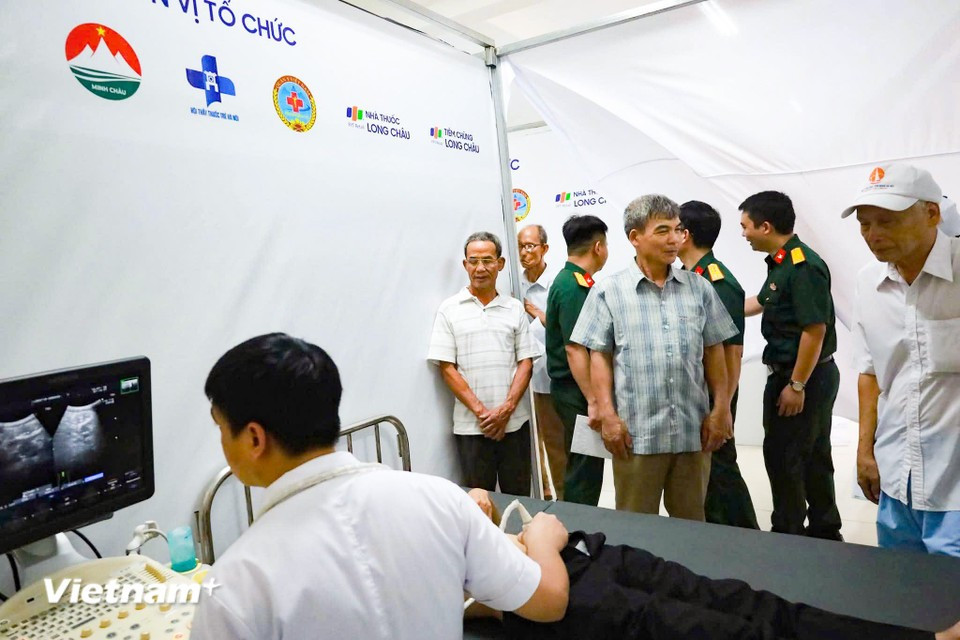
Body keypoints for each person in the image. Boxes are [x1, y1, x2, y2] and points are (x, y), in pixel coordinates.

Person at [190, 333, 570, 640]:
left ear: (254, 438)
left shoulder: (237, 584)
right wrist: (543, 538)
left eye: (221, 428)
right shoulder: (438, 499)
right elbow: (548, 601)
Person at [465, 489, 957, 640]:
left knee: (753, 604)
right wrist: (543, 544)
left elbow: (473, 502)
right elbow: (536, 605)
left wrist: (474, 512)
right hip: (568, 595)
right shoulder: (401, 586)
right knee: (732, 633)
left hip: (590, 555)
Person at [572, 195, 736, 520]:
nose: (675, 239)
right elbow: (599, 357)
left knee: (691, 526)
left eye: (678, 230)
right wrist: (607, 415)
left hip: (692, 432)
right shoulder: (608, 291)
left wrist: (721, 409)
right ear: (635, 237)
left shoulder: (700, 288)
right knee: (636, 528)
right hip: (636, 435)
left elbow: (715, 351)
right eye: (663, 231)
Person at [843, 163, 960, 556]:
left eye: (887, 221)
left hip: (955, 484)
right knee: (901, 595)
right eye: (865, 224)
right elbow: (871, 371)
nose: (874, 235)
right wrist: (864, 451)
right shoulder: (868, 283)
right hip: (898, 477)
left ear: (931, 213)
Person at [741, 191, 843, 541]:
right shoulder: (782, 264)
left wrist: (797, 385)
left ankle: (788, 535)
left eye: (746, 227)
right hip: (803, 375)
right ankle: (824, 530)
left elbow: (814, 330)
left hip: (804, 378)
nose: (744, 234)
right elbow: (761, 301)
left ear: (765, 226)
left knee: (786, 458)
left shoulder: (802, 267)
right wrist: (718, 303)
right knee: (812, 454)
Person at [428, 232, 539, 495]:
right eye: (473, 261)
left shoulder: (514, 308)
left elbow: (526, 362)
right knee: (479, 502)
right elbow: (446, 367)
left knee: (520, 497)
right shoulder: (449, 309)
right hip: (471, 427)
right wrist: (483, 414)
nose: (480, 268)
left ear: (500, 264)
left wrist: (506, 410)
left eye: (487, 261)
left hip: (515, 424)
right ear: (465, 265)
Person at [678, 200, 759, 529]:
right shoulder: (688, 277)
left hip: (714, 392)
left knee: (720, 466)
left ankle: (746, 538)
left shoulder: (717, 280)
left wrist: (722, 407)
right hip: (694, 388)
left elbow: (732, 351)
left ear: (686, 235)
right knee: (704, 472)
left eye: (672, 228)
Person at [544, 215, 609, 506]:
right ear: (598, 247)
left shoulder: (573, 281)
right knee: (585, 467)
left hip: (576, 389)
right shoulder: (573, 287)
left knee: (588, 465)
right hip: (576, 390)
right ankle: (577, 534)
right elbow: (575, 349)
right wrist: (594, 400)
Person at [517, 224, 565, 500]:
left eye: (530, 246)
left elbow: (563, 328)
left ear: (544, 248)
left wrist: (536, 311)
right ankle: (544, 493)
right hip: (521, 380)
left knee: (555, 444)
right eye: (521, 246)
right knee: (530, 443)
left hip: (549, 379)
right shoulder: (513, 283)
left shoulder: (557, 284)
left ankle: (565, 499)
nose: (525, 252)